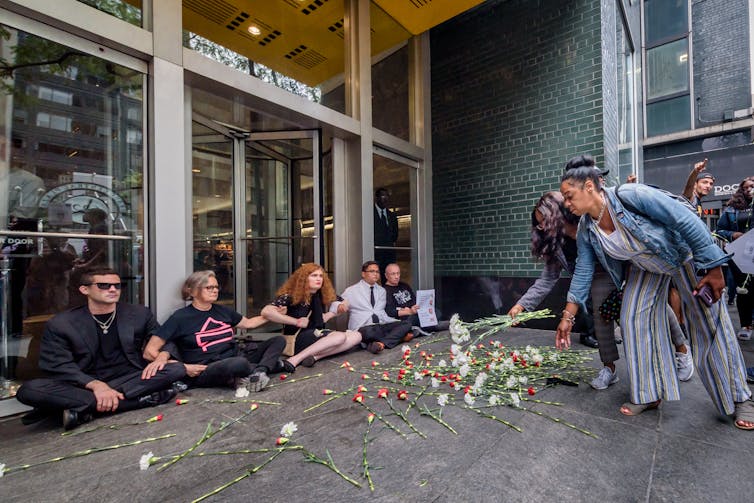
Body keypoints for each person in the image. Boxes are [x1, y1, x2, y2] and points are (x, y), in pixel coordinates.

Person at [556, 167, 753, 429]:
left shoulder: (630, 194)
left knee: (708, 322)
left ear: (589, 186)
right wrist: (568, 316)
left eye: (570, 196)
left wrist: (714, 268)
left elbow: (683, 218)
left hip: (681, 254)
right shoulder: (586, 227)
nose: (567, 204)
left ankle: (741, 397)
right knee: (632, 318)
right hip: (644, 265)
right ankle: (649, 394)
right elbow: (584, 268)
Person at [15, 267, 186, 430]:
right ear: (85, 290)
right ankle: (144, 400)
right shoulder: (62, 324)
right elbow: (57, 365)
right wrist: (96, 386)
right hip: (84, 384)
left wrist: (162, 356)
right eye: (104, 285)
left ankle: (84, 409)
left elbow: (163, 338)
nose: (113, 289)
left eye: (117, 285)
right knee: (28, 390)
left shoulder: (138, 314)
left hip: (129, 377)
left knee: (175, 368)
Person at [143, 270, 284, 393]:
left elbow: (249, 323)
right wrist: (183, 367)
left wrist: (275, 314)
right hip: (206, 368)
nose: (215, 290)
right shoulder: (180, 317)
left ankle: (260, 372)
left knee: (278, 340)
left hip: (236, 355)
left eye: (216, 287)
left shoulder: (222, 310)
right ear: (192, 291)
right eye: (209, 287)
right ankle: (267, 367)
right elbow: (149, 351)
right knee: (238, 364)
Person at [261, 263, 361, 371]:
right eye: (314, 275)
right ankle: (294, 360)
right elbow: (267, 312)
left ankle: (314, 357)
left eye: (320, 276)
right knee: (340, 337)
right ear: (304, 278)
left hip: (316, 334)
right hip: (298, 338)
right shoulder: (291, 295)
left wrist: (333, 312)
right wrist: (296, 321)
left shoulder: (319, 294)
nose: (318, 279)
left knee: (357, 336)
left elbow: (344, 301)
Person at [330, 261, 414, 353]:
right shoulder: (352, 290)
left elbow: (382, 312)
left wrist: (398, 318)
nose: (375, 274)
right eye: (372, 271)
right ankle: (397, 339)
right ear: (363, 274)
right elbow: (337, 302)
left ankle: (380, 344)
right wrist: (340, 306)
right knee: (370, 332)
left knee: (406, 324)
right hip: (364, 326)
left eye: (377, 272)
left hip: (381, 324)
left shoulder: (382, 291)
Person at [716, 177, 754, 342]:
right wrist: (732, 234)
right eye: (746, 188)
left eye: (752, 187)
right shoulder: (732, 209)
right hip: (741, 253)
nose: (749, 190)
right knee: (743, 290)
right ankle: (746, 325)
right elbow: (719, 230)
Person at [383, 263, 447, 335]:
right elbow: (391, 312)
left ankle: (419, 329)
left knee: (436, 312)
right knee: (412, 320)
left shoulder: (404, 285)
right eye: (393, 274)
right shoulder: (384, 290)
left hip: (416, 312)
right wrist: (408, 311)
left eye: (398, 273)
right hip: (405, 318)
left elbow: (414, 301)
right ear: (386, 275)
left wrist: (421, 305)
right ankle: (435, 326)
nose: (396, 276)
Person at [374, 187, 399, 281]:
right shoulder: (369, 214)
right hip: (375, 253)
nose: (385, 198)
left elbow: (395, 235)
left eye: (387, 196)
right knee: (374, 279)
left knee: (388, 279)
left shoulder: (391, 215)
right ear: (376, 198)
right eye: (383, 195)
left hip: (389, 253)